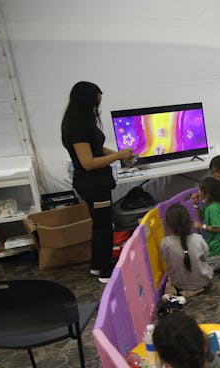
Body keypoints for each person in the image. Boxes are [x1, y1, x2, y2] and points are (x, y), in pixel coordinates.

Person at [61, 81, 134, 283]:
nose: (98, 108)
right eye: (96, 103)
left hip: (97, 181)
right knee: (103, 226)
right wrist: (118, 154)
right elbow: (88, 162)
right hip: (92, 183)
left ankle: (96, 265)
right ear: (87, 102)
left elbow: (97, 148)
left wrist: (120, 156)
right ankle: (104, 271)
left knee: (100, 224)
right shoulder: (76, 127)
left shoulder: (84, 122)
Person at [160, 203, 213, 298]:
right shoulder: (198, 239)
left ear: (168, 224)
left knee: (169, 277)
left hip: (179, 285)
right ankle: (197, 290)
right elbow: (206, 256)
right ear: (189, 221)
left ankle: (183, 291)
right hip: (203, 282)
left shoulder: (165, 243)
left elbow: (164, 258)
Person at [192, 177, 220, 271]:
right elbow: (201, 216)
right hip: (214, 246)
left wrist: (202, 226)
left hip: (217, 249)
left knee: (198, 265)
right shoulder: (209, 205)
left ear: (207, 195)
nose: (198, 192)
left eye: (200, 190)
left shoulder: (213, 208)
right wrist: (196, 205)